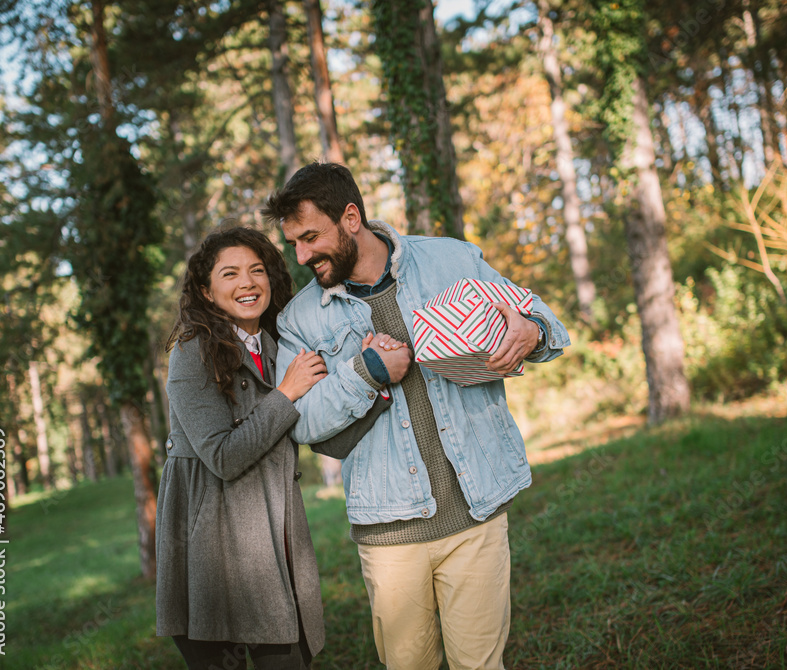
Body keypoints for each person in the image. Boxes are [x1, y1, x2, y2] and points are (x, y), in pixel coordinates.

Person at [261, 162, 570, 670]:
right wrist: (365, 373)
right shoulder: (300, 319)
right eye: (293, 242)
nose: (301, 256)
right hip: (389, 535)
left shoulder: (452, 258)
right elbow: (302, 422)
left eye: (311, 237)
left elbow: (544, 320)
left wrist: (531, 331)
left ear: (351, 218)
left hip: (476, 514)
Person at [155, 226, 390, 669]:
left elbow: (323, 436)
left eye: (257, 270)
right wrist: (286, 392)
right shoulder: (191, 352)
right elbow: (223, 456)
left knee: (289, 657)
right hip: (209, 547)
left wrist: (369, 377)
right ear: (205, 290)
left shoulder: (279, 348)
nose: (247, 282)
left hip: (274, 534)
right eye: (230, 274)